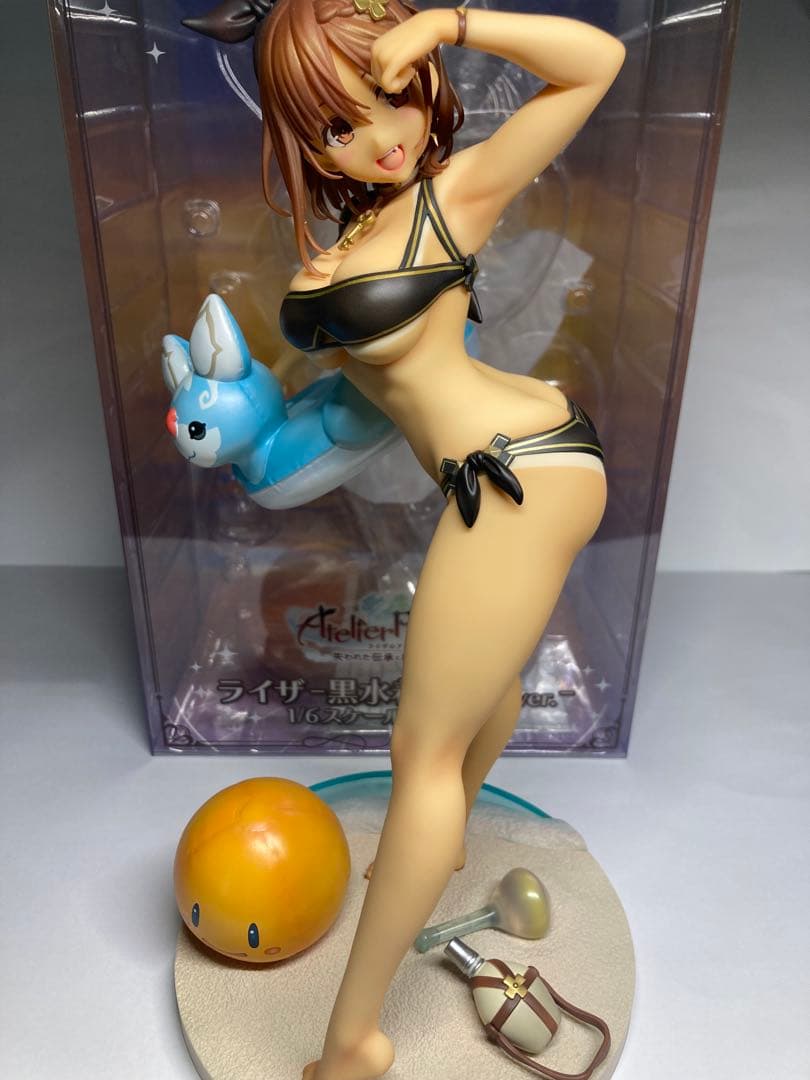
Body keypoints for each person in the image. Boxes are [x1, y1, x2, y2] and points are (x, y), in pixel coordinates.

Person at [185, 3, 624, 1077]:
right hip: (506, 474)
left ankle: (353, 1042)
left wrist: (452, 20)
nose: (381, 136)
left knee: (418, 753)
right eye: (339, 124)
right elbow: (338, 422)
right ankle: (450, 831)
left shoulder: (449, 200)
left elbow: (597, 63)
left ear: (425, 83)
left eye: (393, 97)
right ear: (305, 141)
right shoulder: (351, 245)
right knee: (478, 679)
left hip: (520, 475)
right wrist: (239, 433)